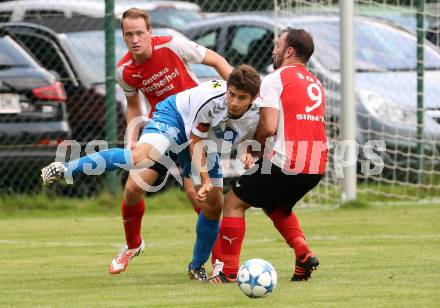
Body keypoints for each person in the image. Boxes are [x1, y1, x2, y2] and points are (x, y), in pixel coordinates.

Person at [41, 64, 261, 281]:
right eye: (231, 94)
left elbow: (257, 136)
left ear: (253, 98)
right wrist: (204, 180)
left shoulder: (258, 114)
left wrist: (250, 151)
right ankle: (66, 168)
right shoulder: (212, 99)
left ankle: (196, 266)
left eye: (241, 98)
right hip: (175, 116)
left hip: (205, 139)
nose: (233, 102)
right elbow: (195, 142)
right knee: (140, 158)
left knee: (213, 205)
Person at [102, 8, 232, 274]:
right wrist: (132, 142)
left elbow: (217, 60)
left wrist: (238, 91)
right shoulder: (125, 71)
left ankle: (218, 263)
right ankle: (132, 245)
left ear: (150, 32)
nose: (135, 38)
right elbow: (133, 107)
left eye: (140, 32)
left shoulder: (172, 45)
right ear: (124, 37)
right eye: (129, 34)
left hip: (193, 130)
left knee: (199, 196)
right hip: (162, 129)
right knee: (131, 190)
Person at [208, 28, 328, 284]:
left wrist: (253, 148)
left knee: (233, 203)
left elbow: (269, 126)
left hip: (287, 161)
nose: (274, 50)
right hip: (316, 165)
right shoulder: (315, 83)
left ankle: (227, 272)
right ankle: (303, 254)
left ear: (290, 51)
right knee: (275, 203)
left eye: (277, 45)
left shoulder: (276, 79)